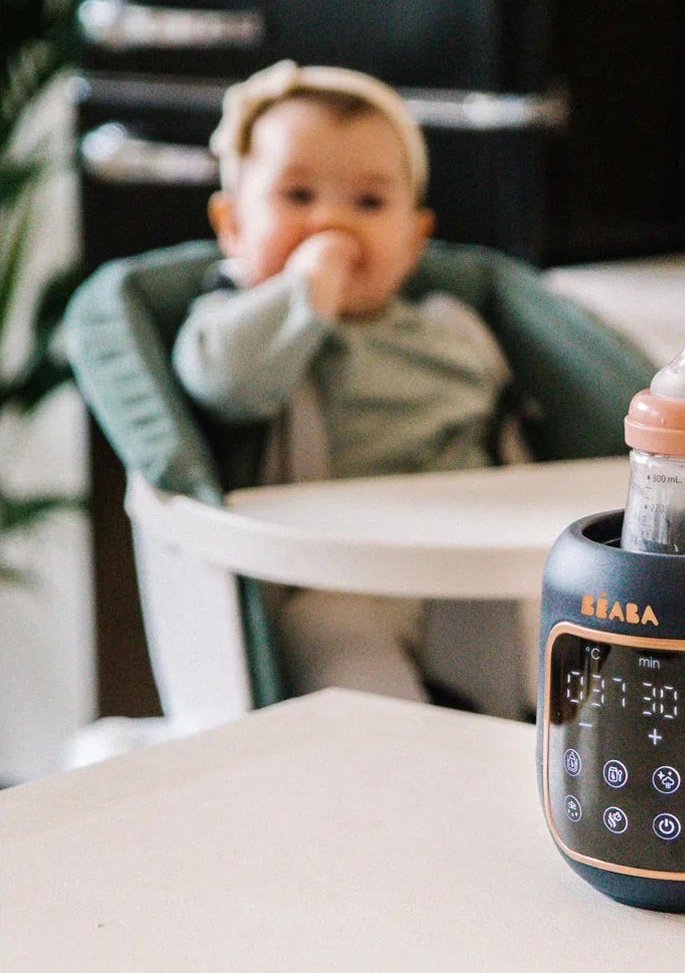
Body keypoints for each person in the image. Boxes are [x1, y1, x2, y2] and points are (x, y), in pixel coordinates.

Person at [172, 60, 521, 702]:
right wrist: (304, 291)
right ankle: (393, 752)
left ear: (414, 239)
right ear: (232, 226)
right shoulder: (236, 324)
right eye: (298, 196)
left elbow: (513, 428)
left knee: (554, 637)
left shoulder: (454, 328)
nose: (332, 222)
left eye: (369, 202)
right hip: (341, 577)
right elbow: (224, 382)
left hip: (474, 570)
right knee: (331, 640)